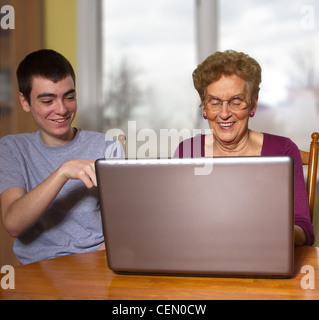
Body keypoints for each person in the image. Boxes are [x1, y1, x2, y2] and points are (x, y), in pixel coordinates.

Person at [174, 50, 315, 246]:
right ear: (205, 108)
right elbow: (174, 224)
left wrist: (270, 232)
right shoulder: (186, 152)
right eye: (214, 103)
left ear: (253, 104)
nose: (224, 114)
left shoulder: (283, 150)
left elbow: (304, 231)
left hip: (262, 262)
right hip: (201, 258)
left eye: (236, 102)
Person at [0, 49, 123, 264]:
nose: (62, 109)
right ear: (25, 102)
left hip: (96, 261)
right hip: (37, 268)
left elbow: (124, 221)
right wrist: (63, 172)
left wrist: (96, 263)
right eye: (48, 101)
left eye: (69, 97)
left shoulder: (106, 145)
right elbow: (13, 223)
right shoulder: (11, 149)